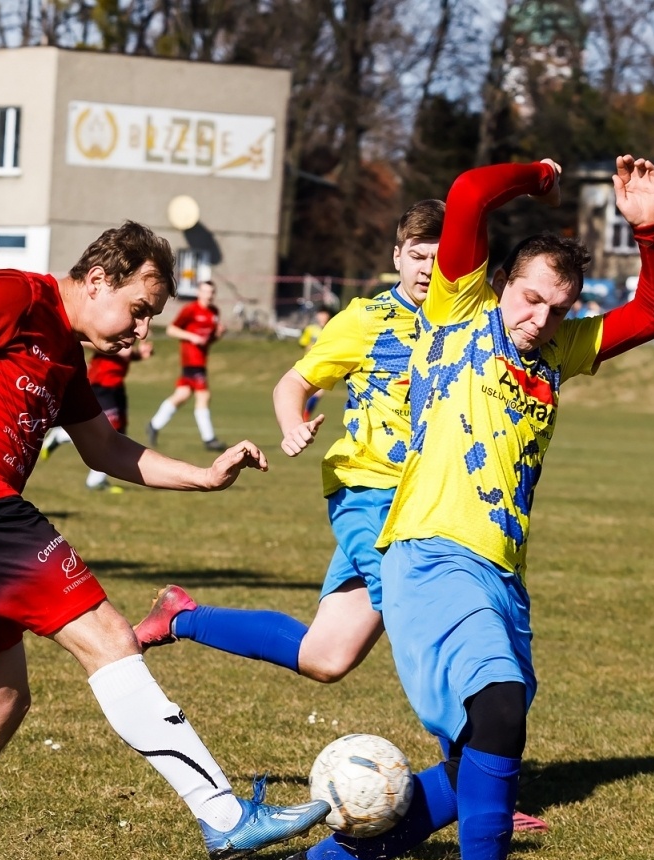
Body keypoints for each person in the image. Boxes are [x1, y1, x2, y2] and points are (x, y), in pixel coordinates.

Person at [266, 156, 654, 860]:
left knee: (478, 764)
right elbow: (467, 195)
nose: (538, 317)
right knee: (498, 710)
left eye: (557, 307)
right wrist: (538, 174)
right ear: (498, 284)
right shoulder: (459, 313)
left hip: (498, 575)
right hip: (430, 554)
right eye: (529, 297)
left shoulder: (558, 350)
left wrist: (649, 229)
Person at [0, 221, 328, 860]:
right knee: (110, 636)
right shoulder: (16, 297)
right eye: (138, 310)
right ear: (96, 280)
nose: (142, 333)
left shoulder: (63, 350)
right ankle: (223, 813)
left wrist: (204, 476)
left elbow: (105, 449)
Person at [133, 200, 444, 685]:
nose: (427, 269)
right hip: (370, 494)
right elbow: (292, 384)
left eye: (439, 259)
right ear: (397, 256)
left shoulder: (467, 321)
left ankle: (180, 616)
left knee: (326, 657)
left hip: (429, 500)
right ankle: (476, 736)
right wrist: (291, 425)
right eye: (419, 256)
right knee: (420, 609)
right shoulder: (366, 320)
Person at [40, 336, 154, 491]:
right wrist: (117, 349)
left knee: (119, 433)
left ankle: (96, 479)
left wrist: (139, 354)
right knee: (106, 432)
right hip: (102, 383)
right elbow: (82, 340)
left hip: (116, 385)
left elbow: (125, 356)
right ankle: (61, 437)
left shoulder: (126, 334)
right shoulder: (110, 330)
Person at [147, 279, 226, 451]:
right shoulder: (190, 310)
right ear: (199, 293)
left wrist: (219, 334)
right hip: (191, 361)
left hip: (201, 361)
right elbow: (171, 329)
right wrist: (191, 337)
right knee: (204, 396)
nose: (209, 295)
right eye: (205, 291)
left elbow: (208, 340)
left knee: (182, 395)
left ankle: (154, 425)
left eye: (211, 292)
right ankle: (209, 439)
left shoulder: (214, 312)